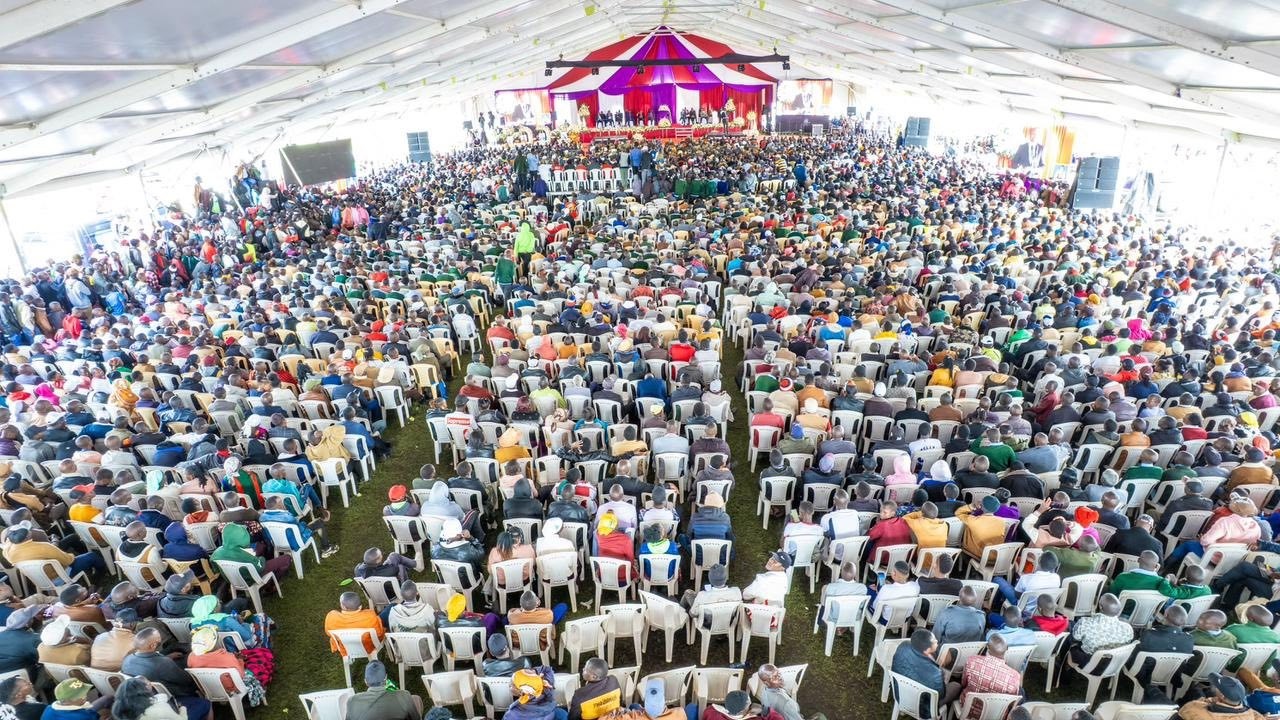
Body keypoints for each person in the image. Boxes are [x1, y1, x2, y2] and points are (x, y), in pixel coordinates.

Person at [120, 627, 213, 720]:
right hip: (175, 696)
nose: (160, 640)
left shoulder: (127, 660)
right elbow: (186, 680)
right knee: (205, 700)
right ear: (152, 646)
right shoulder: (163, 663)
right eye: (158, 640)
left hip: (144, 699)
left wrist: (165, 657)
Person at [344, 660, 421, 720]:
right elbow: (415, 718)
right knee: (415, 698)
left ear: (366, 681)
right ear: (386, 678)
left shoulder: (352, 701)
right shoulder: (404, 695)